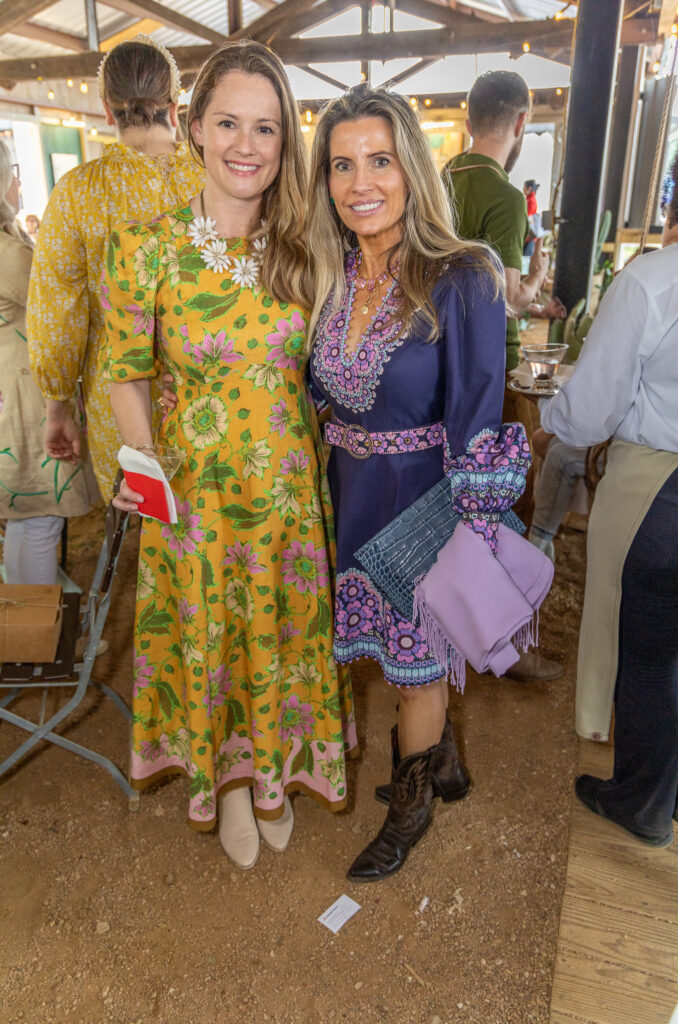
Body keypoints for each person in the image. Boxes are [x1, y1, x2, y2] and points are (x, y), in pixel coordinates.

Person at [104, 41, 356, 869]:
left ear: (286, 144)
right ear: (192, 126)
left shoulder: (308, 248)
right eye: (228, 124)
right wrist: (151, 478)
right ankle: (235, 785)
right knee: (216, 643)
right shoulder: (143, 247)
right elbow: (125, 375)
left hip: (287, 494)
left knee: (279, 636)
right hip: (195, 498)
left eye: (267, 129)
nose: (246, 146)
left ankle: (278, 773)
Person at [306, 84, 532, 882]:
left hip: (422, 503)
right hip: (348, 498)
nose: (360, 182)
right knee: (401, 665)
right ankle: (443, 763)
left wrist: (467, 529)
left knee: (413, 670)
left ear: (411, 166)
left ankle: (408, 812)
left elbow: (475, 407)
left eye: (379, 160)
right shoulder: (327, 274)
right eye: (341, 165)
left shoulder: (461, 273)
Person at [540, 153, 678, 847]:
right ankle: (677, 792)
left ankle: (640, 800)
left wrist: (548, 420)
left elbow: (590, 412)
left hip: (659, 486)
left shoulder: (654, 282)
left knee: (648, 650)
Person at [27, 35, 206, 503]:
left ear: (107, 109)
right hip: (216, 388)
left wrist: (58, 407)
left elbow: (56, 316)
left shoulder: (77, 193)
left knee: (146, 525)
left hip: (121, 402)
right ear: (174, 102)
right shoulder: (215, 177)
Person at [444, 70, 566, 681]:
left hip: (439, 364)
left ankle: (457, 619)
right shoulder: (504, 196)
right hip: (492, 369)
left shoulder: (438, 179)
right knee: (504, 498)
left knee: (451, 500)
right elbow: (510, 300)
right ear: (520, 124)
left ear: (469, 119)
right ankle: (504, 640)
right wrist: (538, 278)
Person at [0, 143, 96, 584]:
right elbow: (59, 309)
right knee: (39, 519)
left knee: (26, 523)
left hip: (12, 389)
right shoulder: (9, 255)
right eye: (13, 172)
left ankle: (27, 633)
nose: (19, 181)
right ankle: (34, 638)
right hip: (26, 397)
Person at [522, 179, 542, 257]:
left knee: (525, 258)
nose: (523, 189)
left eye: (524, 187)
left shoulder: (531, 201)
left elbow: (526, 215)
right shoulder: (528, 199)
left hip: (530, 237)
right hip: (528, 236)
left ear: (529, 188)